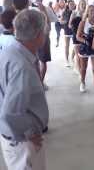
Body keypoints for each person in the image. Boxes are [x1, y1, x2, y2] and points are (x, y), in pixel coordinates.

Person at [0, 9, 49, 170]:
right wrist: (30, 133)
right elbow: (11, 112)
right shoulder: (22, 66)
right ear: (38, 35)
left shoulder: (10, 51)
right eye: (44, 29)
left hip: (12, 137)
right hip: (22, 143)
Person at [31, 0, 58, 90]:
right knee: (37, 61)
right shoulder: (31, 10)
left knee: (40, 61)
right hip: (38, 38)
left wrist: (44, 11)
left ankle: (40, 83)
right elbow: (54, 21)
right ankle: (39, 83)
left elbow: (54, 20)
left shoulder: (43, 9)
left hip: (42, 38)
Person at [76, 4, 94, 96]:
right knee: (84, 67)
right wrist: (85, 41)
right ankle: (82, 82)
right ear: (88, 12)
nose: (93, 12)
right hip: (85, 48)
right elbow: (78, 36)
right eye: (91, 11)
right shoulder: (83, 22)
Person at [68, 0, 87, 74]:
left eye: (84, 4)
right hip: (76, 35)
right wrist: (75, 29)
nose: (83, 6)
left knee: (81, 55)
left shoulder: (86, 14)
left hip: (84, 37)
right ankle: (79, 71)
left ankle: (79, 68)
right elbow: (69, 25)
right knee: (78, 55)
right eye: (82, 4)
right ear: (79, 5)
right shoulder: (74, 13)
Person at [61, 0, 76, 67]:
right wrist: (65, 21)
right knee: (67, 45)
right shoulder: (65, 12)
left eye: (73, 4)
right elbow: (61, 21)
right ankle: (66, 60)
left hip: (74, 30)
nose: (72, 5)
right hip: (67, 30)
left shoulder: (76, 11)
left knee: (76, 45)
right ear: (68, 5)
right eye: (70, 4)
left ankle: (72, 58)